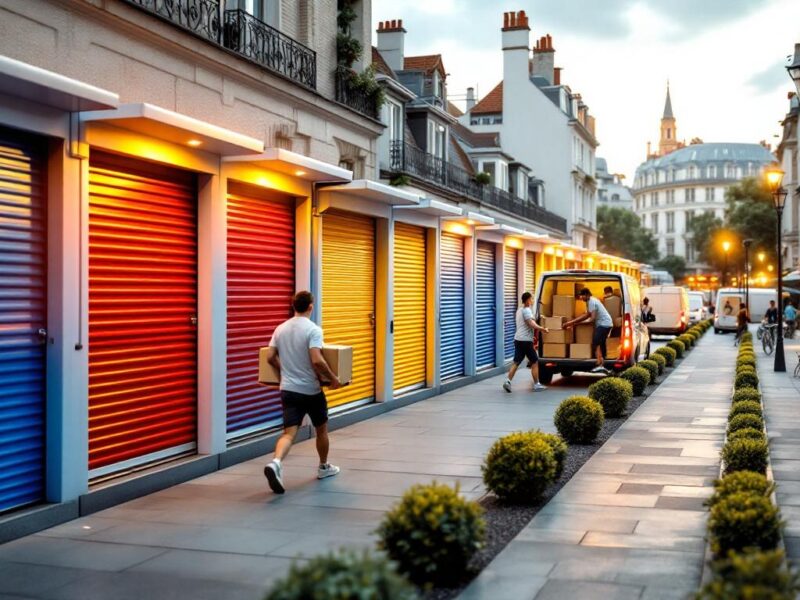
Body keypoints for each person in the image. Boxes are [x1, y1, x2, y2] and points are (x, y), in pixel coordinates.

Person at [263, 291, 341, 494]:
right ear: (311, 307)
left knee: (289, 433)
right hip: (310, 390)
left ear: (293, 306)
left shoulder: (280, 329)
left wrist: (285, 371)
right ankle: (324, 467)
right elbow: (316, 359)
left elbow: (270, 357)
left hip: (288, 389)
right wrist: (333, 378)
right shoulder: (313, 330)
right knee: (321, 429)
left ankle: (276, 462)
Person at [503, 292, 550, 393]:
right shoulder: (526, 310)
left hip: (518, 339)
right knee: (535, 361)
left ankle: (508, 381)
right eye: (532, 299)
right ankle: (537, 384)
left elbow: (524, 325)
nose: (532, 301)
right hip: (525, 341)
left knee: (516, 362)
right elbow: (531, 323)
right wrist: (543, 329)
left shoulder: (519, 310)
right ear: (528, 300)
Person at [563, 288, 614, 374]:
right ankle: (603, 364)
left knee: (596, 342)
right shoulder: (589, 302)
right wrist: (572, 323)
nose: (581, 297)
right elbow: (586, 315)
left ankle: (599, 364)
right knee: (600, 343)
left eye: (582, 295)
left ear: (587, 295)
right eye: (580, 296)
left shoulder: (591, 301)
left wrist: (574, 324)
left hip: (605, 324)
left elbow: (591, 318)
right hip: (605, 324)